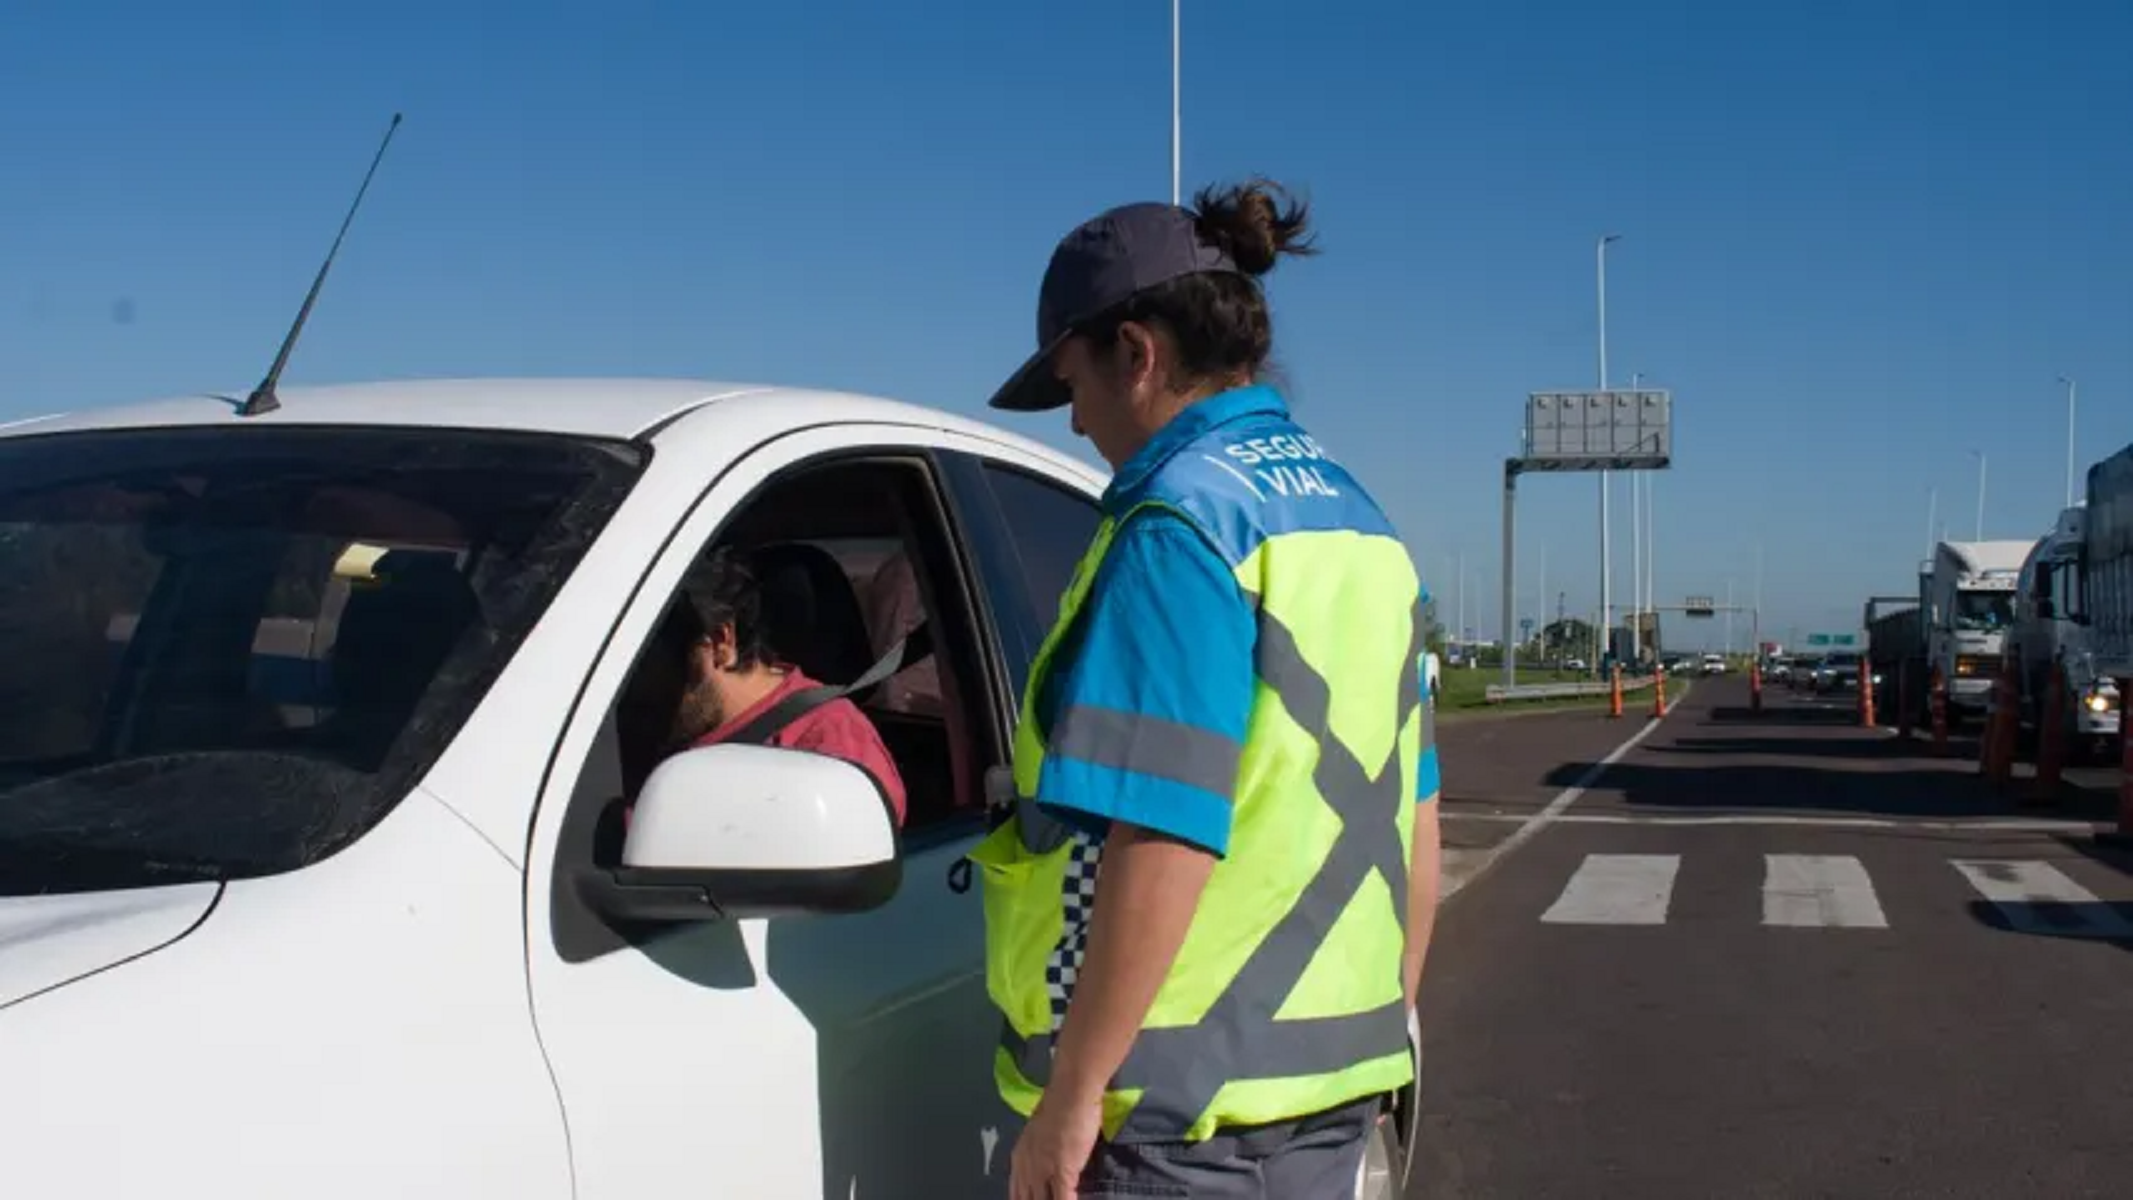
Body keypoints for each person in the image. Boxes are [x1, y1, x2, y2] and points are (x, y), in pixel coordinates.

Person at [969, 179, 1443, 1199]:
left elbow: (1166, 837)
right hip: (1328, 1092)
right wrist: (1383, 1026)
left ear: (1137, 354)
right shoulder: (1362, 527)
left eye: (1073, 386)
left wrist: (1072, 1100)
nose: (1076, 425)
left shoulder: (1179, 530)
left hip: (1177, 1125)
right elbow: (1415, 814)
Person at [636, 545, 907, 826]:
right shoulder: (651, 726)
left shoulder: (828, 753)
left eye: (651, 664)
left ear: (719, 643)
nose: (640, 689)